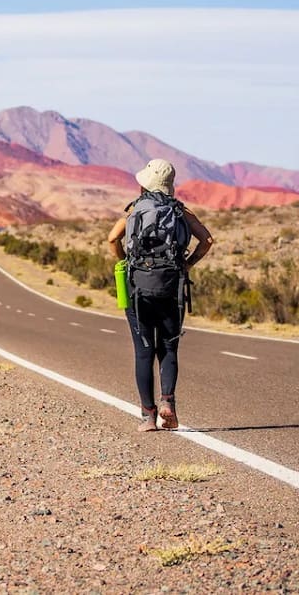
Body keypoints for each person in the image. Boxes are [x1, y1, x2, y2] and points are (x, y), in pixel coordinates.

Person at [107, 159, 213, 432]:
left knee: (143, 352)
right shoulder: (180, 211)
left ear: (144, 184)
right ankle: (168, 403)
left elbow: (112, 239)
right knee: (168, 347)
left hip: (137, 289)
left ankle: (148, 416)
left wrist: (125, 261)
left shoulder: (134, 210)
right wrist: (187, 264)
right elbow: (207, 240)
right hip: (171, 287)